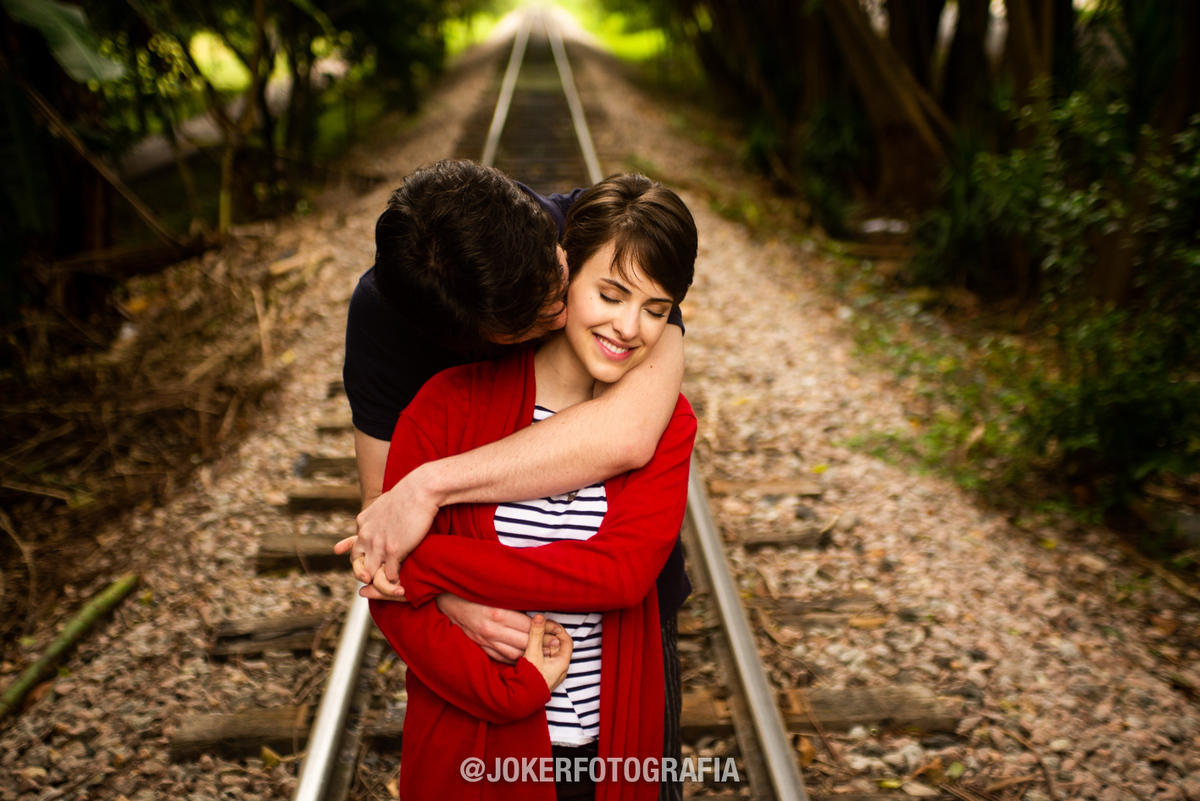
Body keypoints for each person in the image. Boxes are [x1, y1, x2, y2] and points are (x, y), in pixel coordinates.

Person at [339, 160, 691, 801]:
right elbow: (382, 537)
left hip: (616, 682)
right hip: (487, 726)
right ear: (481, 339)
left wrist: (430, 513)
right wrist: (445, 601)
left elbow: (630, 441)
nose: (565, 314)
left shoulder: (590, 233)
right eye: (543, 313)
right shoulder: (406, 354)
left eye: (564, 284)